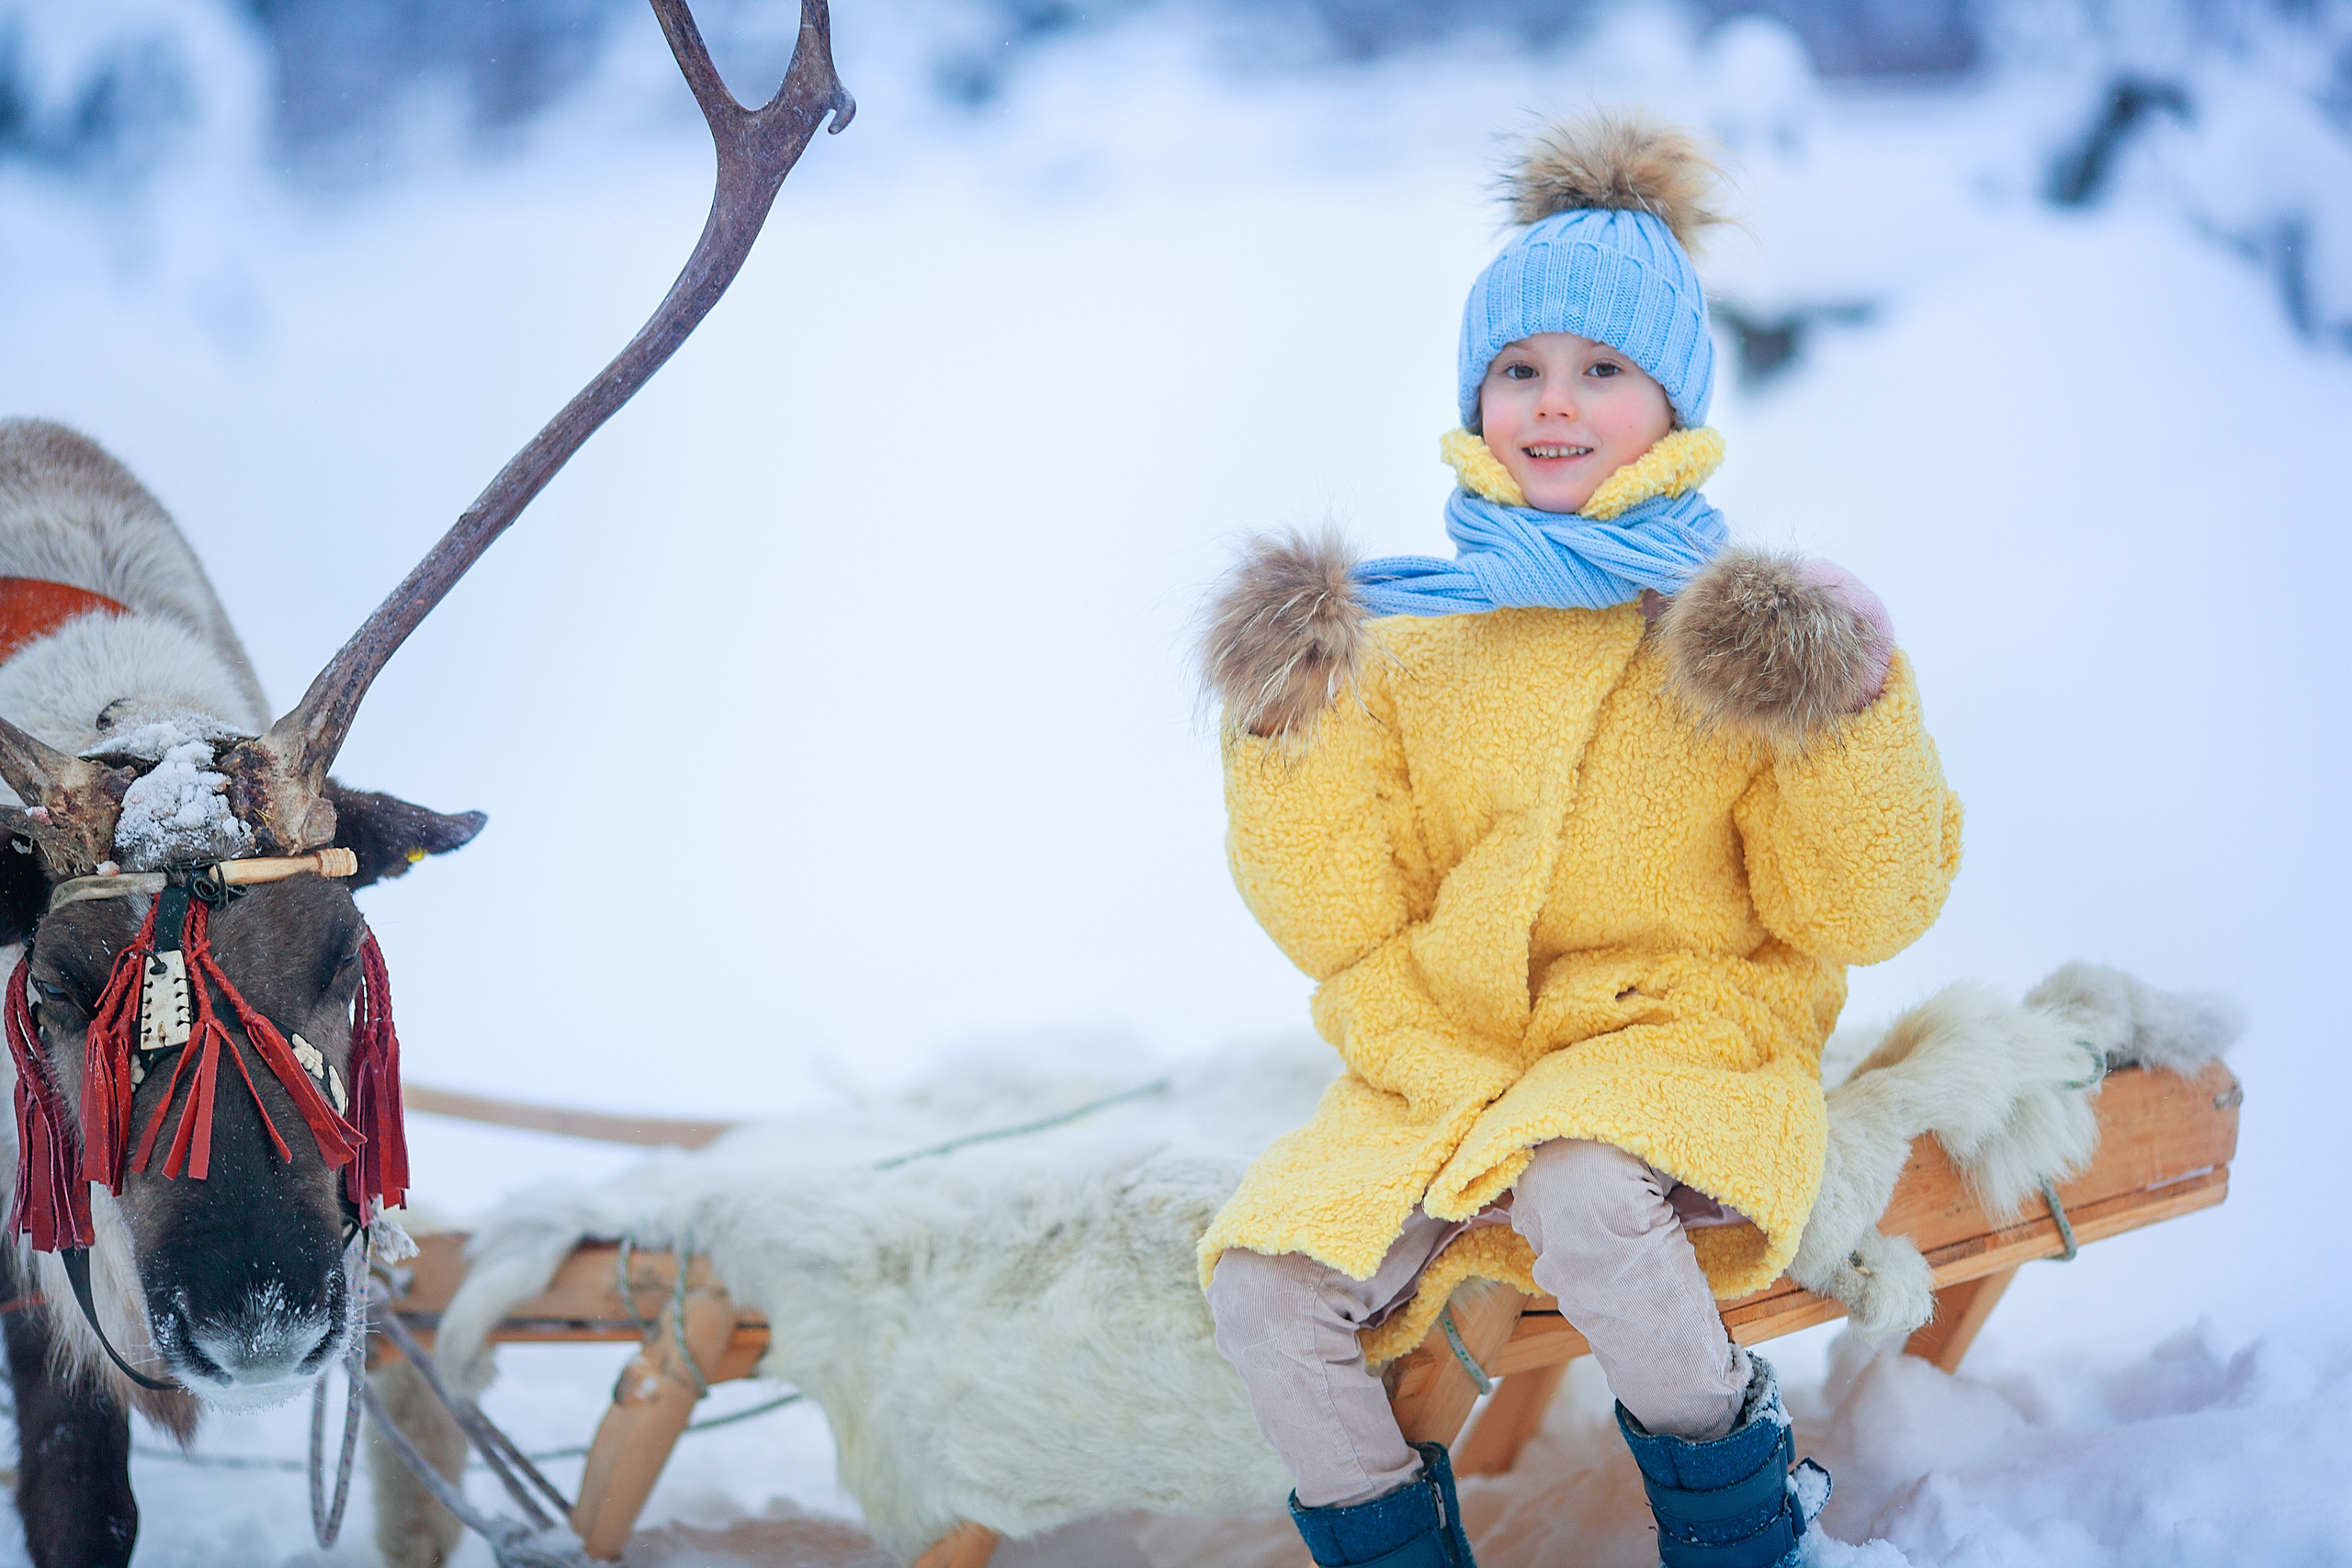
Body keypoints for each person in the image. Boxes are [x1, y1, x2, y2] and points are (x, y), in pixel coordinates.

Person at [1195, 115, 1962, 1568]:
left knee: (1579, 1184)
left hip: (1681, 1040)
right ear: (1476, 395)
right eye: (1520, 369)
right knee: (1262, 1284)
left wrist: (1850, 709)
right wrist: (1288, 725)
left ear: (1670, 402)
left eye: (1603, 370)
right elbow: (1341, 920)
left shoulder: (1729, 633)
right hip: (1457, 1061)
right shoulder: (1414, 634)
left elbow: (1857, 907)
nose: (1556, 404)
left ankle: (1742, 1514)